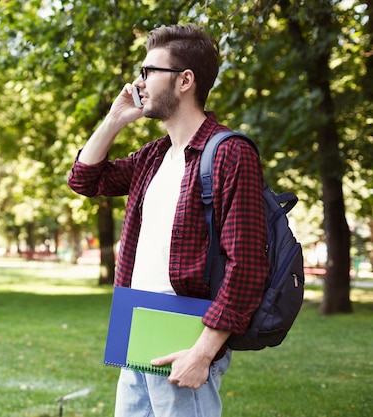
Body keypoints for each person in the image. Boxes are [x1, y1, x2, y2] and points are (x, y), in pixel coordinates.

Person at [67, 24, 269, 417]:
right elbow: (84, 179)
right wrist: (114, 120)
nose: (138, 82)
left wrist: (203, 352)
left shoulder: (229, 153)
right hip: (136, 326)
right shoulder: (153, 156)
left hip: (184, 336)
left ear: (185, 81)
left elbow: (246, 265)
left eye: (148, 71)